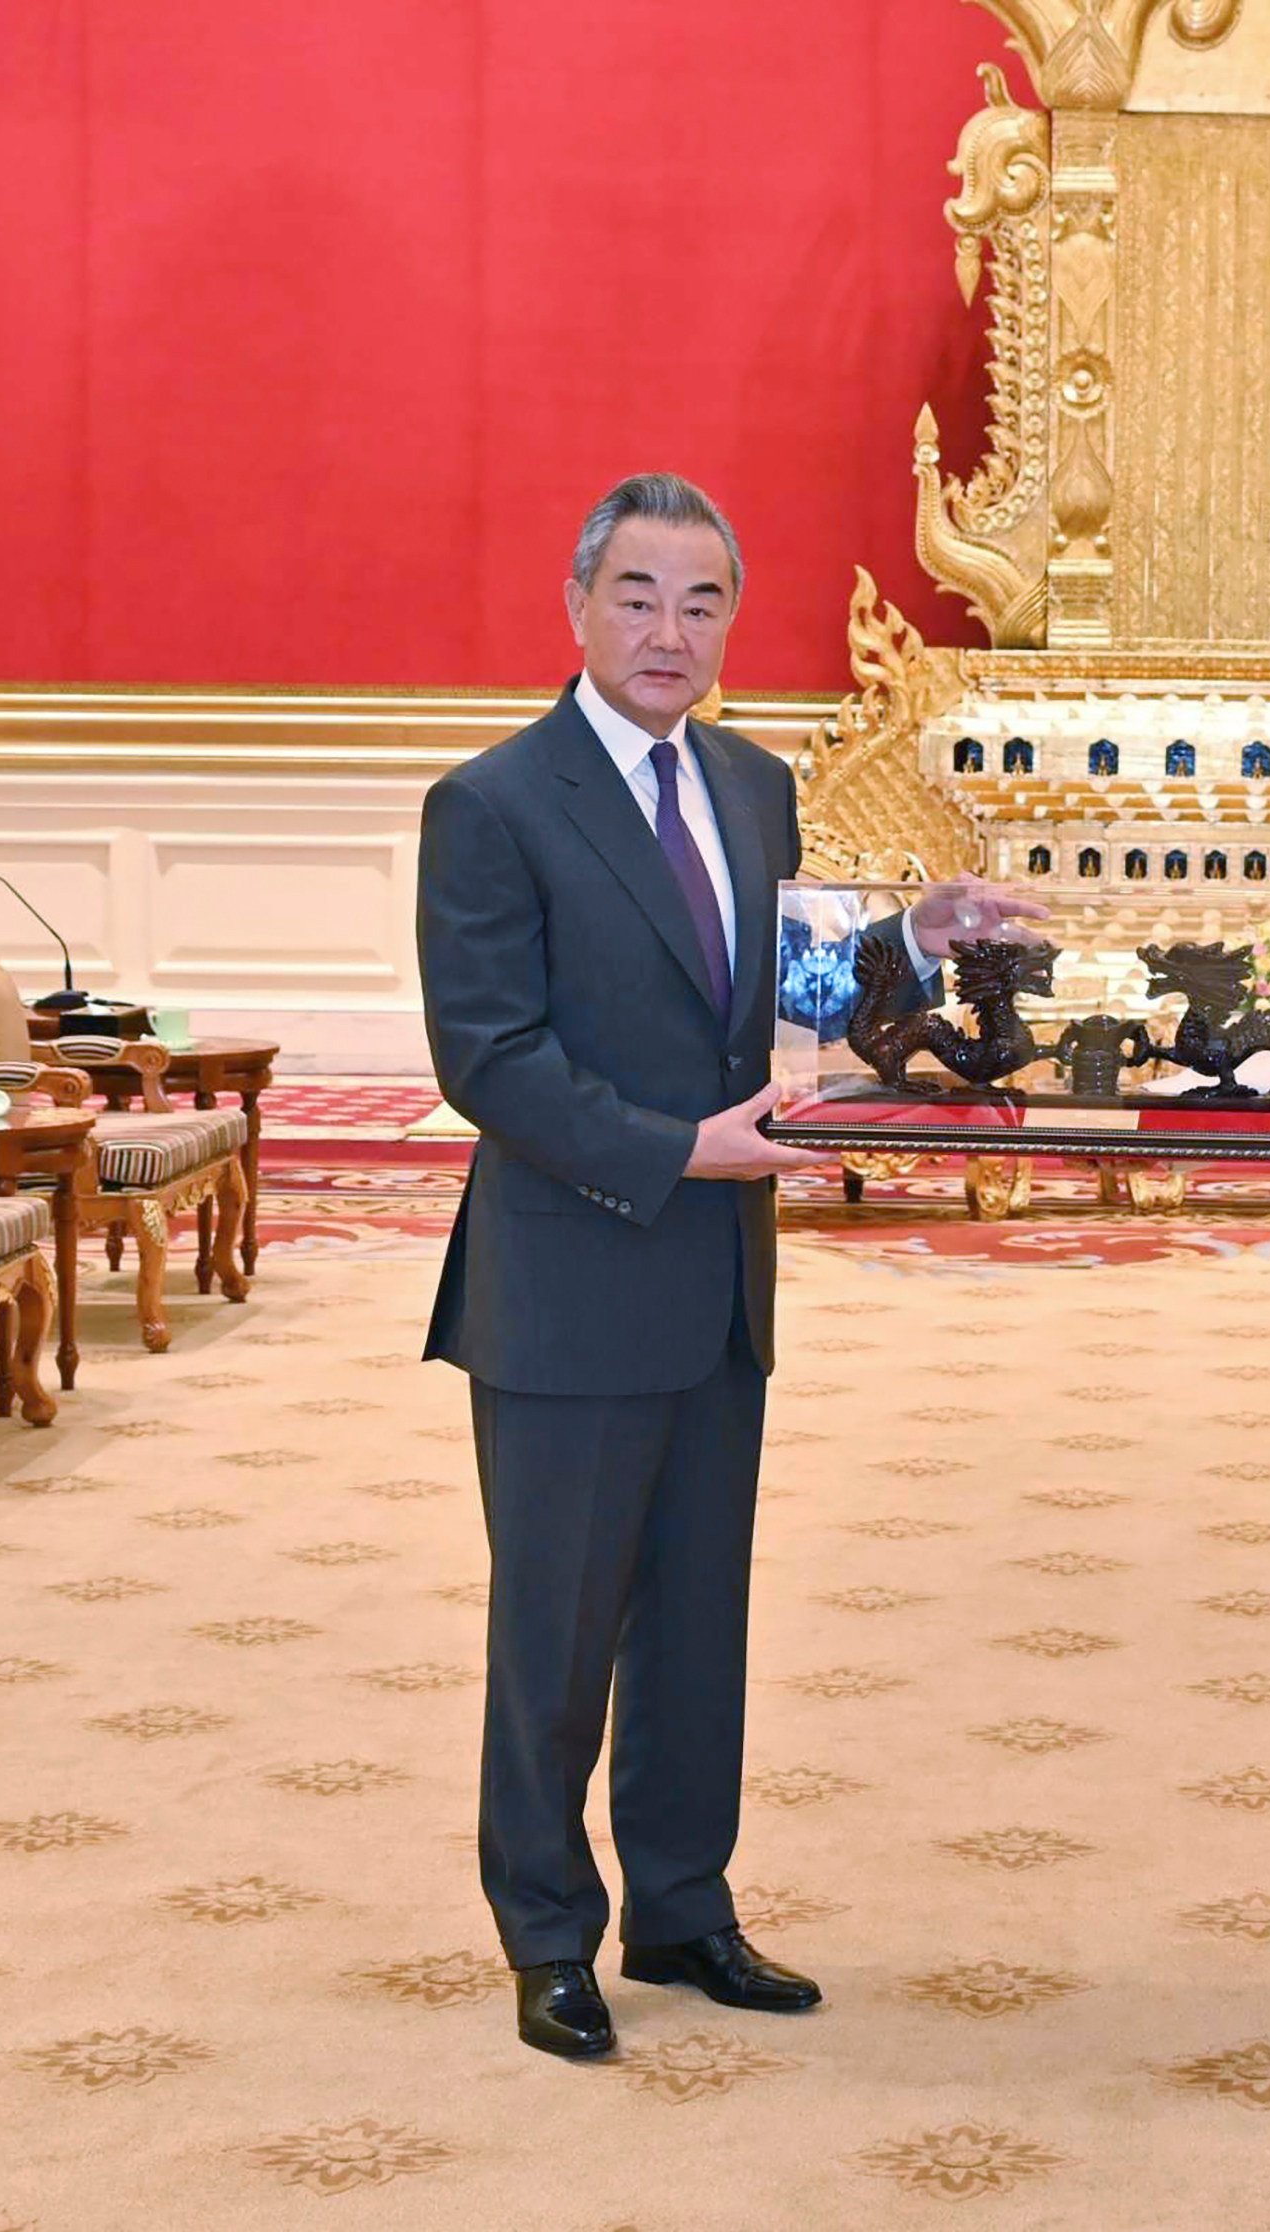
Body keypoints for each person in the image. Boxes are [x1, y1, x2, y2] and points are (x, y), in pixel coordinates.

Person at [417, 472, 1038, 2059]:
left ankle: (686, 1912)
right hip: (569, 1279)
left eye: (701, 603)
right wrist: (679, 1147)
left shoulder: (754, 784)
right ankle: (547, 1933)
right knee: (555, 1636)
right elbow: (488, 1058)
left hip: (719, 1286)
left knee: (697, 1623)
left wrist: (922, 929)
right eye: (637, 595)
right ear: (578, 605)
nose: (667, 631)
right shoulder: (492, 801)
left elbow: (798, 988)